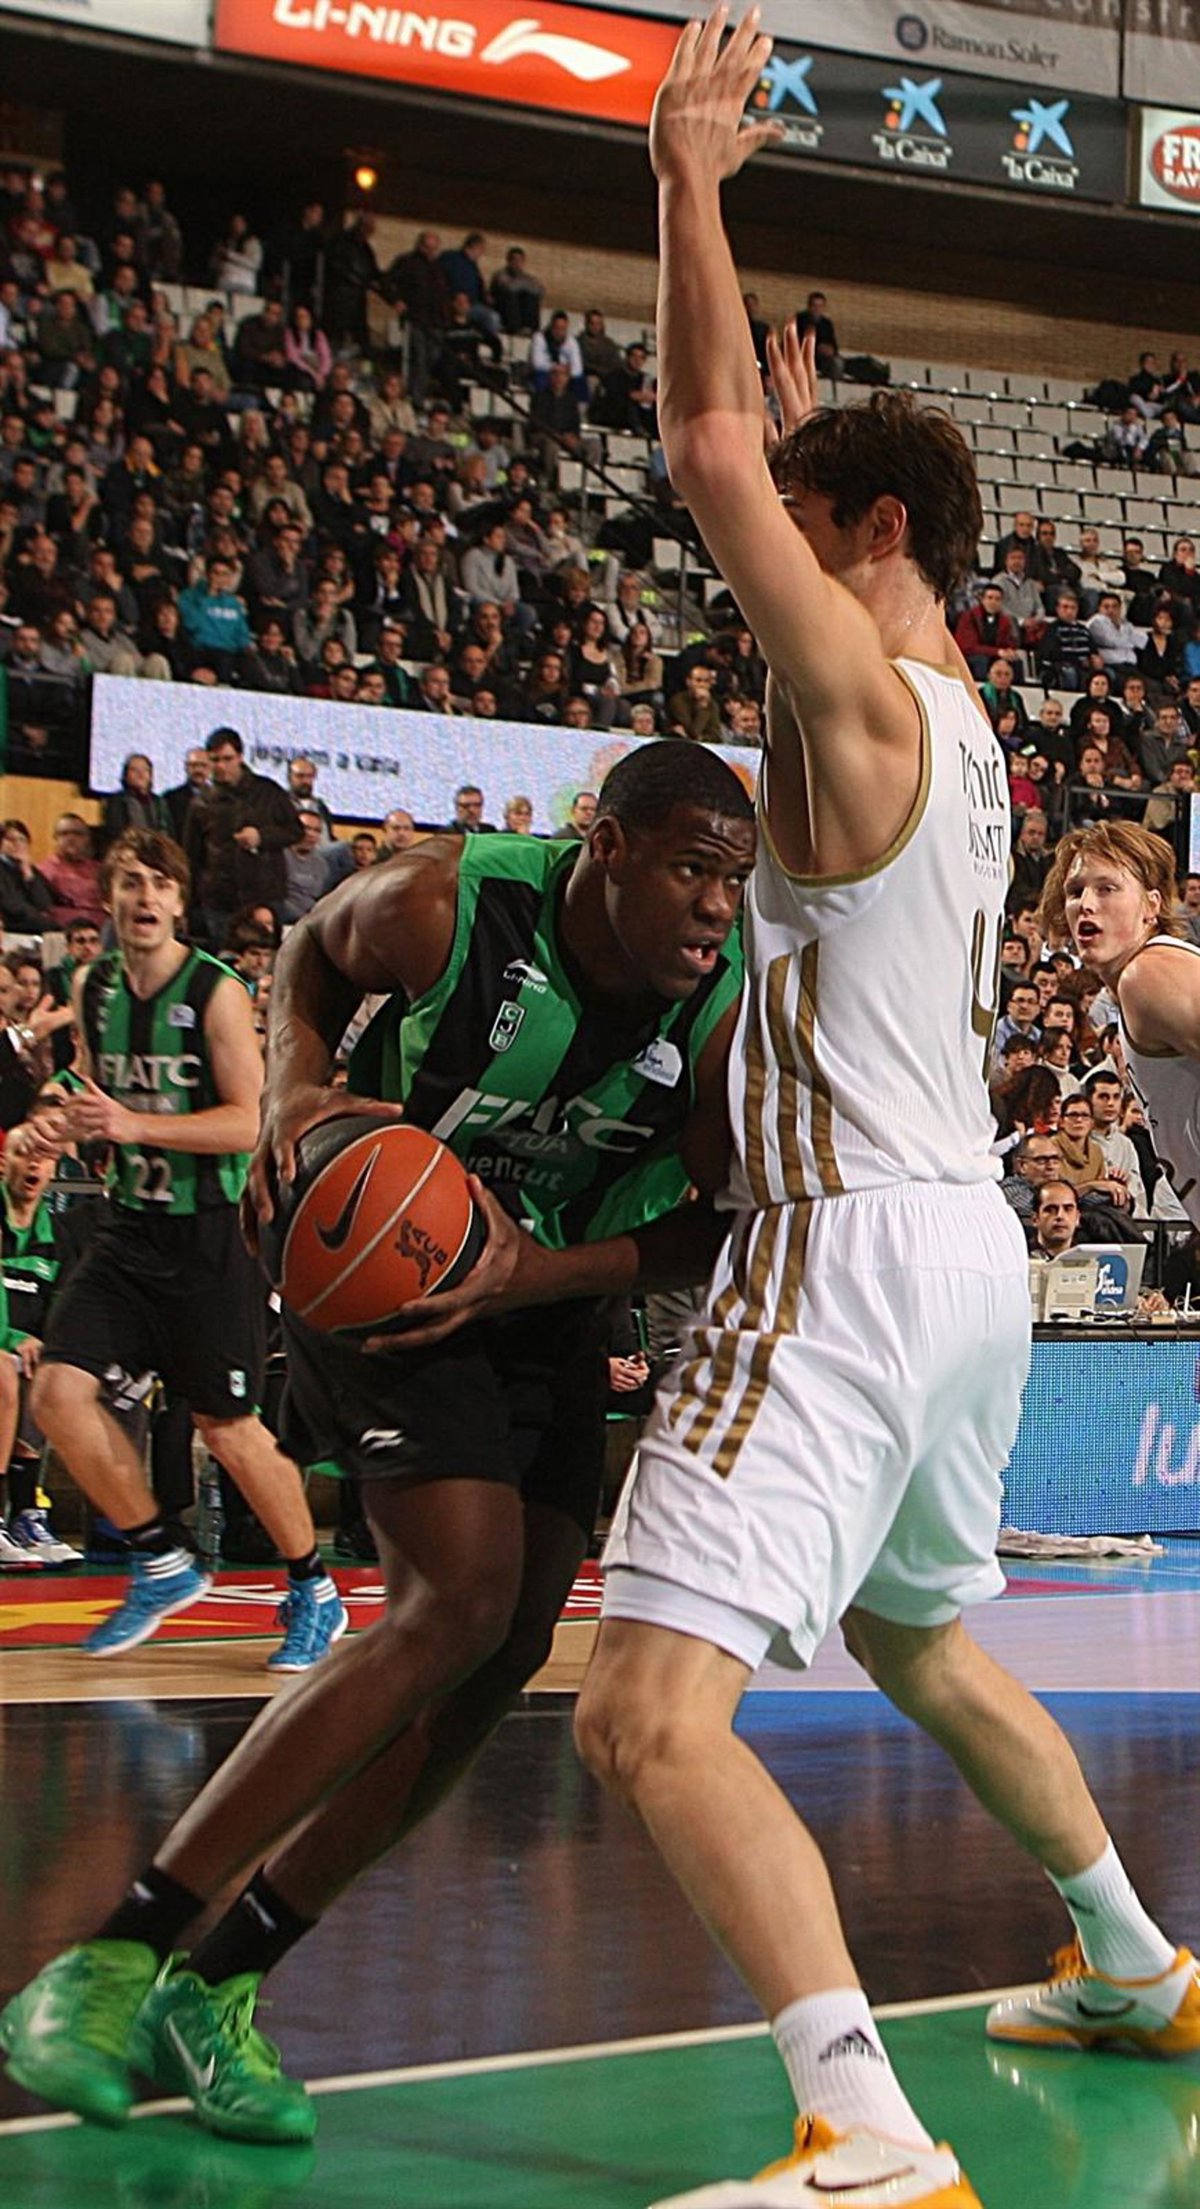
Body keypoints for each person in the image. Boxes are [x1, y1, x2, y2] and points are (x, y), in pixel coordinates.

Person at [569, 21, 1199, 2209]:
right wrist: (780, 396)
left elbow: (701, 445)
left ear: (876, 531)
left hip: (840, 1247)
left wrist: (689, 186)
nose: (764, 554)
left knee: (644, 1713)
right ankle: (1133, 1960)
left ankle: (865, 2131)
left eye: (805, 525)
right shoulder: (972, 723)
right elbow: (761, 468)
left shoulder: (851, 689)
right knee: (919, 1632)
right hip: (966, 1261)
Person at [0, 745, 754, 2145]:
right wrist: (292, 1089)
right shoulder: (441, 904)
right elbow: (307, 957)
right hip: (380, 1254)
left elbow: (711, 1224)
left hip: (542, 1283)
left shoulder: (725, 1011)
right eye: (691, 867)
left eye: (735, 877)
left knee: (509, 1642)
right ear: (604, 846)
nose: (718, 903)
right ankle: (111, 1953)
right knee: (453, 1597)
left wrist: (537, 1276)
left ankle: (219, 1981)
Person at [5, 826, 348, 1661]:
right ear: (109, 898)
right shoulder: (91, 983)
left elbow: (250, 1122)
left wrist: (131, 1124)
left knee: (227, 1426)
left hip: (210, 1235)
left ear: (180, 902)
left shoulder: (216, 992)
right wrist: (54, 1121)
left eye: (160, 884)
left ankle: (314, 1586)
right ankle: (161, 1558)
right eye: (131, 882)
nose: (145, 897)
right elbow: (95, 1085)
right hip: (129, 1227)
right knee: (56, 1393)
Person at [1043, 819, 1200, 1232]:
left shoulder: (1148, 975)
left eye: (1107, 888)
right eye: (1075, 891)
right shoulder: (1145, 979)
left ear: (1151, 905)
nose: (1085, 904)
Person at [184, 727, 302, 948]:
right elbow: (192, 855)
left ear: (240, 757)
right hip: (220, 899)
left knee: (266, 958)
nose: (221, 766)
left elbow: (295, 831)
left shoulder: (268, 791)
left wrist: (262, 837)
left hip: (265, 895)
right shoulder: (201, 802)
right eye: (215, 760)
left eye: (227, 759)